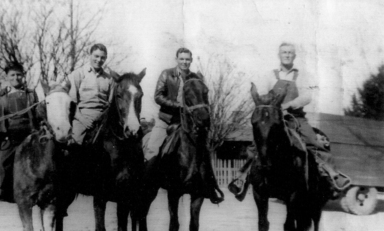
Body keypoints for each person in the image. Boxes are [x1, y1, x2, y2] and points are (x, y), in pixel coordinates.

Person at [228, 42, 351, 201]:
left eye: (290, 53)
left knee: (312, 141)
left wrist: (289, 105)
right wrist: (268, 107)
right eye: (284, 52)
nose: (287, 55)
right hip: (273, 119)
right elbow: (263, 93)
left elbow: (307, 96)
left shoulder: (301, 75)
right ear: (279, 55)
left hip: (295, 118)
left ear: (294, 56)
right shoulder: (270, 75)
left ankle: (333, 175)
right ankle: (242, 179)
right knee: (256, 144)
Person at [144, 47, 224, 204]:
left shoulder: (195, 78)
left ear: (191, 60)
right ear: (176, 59)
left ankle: (210, 187)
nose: (184, 62)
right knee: (152, 150)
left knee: (204, 151)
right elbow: (158, 96)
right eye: (182, 59)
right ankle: (146, 183)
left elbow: (202, 97)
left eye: (187, 59)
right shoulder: (167, 74)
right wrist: (178, 106)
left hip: (188, 123)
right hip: (167, 121)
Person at [0, 61, 41, 219]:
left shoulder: (31, 94)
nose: (16, 78)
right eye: (12, 75)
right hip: (9, 137)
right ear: (7, 77)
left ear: (23, 76)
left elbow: (38, 115)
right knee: (1, 163)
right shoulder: (0, 96)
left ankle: (51, 197)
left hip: (30, 137)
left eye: (19, 75)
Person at [61, 43, 114, 145]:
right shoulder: (78, 74)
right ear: (90, 55)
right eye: (96, 56)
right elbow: (72, 103)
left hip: (103, 118)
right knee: (74, 144)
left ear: (106, 58)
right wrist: (82, 120)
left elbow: (110, 103)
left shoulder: (109, 79)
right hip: (82, 116)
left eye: (102, 58)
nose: (99, 60)